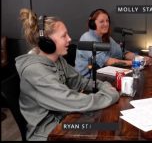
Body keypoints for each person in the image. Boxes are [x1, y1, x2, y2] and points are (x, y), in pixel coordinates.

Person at [16, 8, 120, 141]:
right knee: (106, 129)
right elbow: (72, 100)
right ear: (46, 42)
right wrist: (110, 95)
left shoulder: (58, 60)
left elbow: (81, 81)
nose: (70, 39)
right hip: (47, 133)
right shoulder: (36, 71)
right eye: (64, 36)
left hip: (64, 118)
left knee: (109, 127)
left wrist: (104, 86)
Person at [75, 8, 152, 77]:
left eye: (107, 21)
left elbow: (122, 53)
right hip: (85, 80)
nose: (106, 24)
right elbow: (107, 61)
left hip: (100, 76)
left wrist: (140, 58)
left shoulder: (106, 37)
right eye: (101, 21)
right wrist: (136, 63)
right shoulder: (86, 38)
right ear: (92, 24)